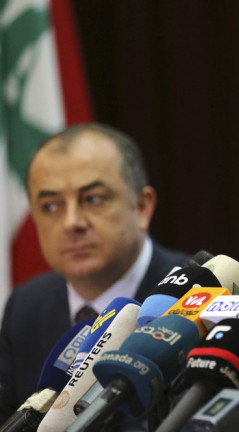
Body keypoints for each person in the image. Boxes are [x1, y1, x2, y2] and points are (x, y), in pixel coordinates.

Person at [0, 123, 190, 420]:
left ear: (142, 207)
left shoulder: (198, 298)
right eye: (50, 206)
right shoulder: (26, 306)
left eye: (93, 199)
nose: (71, 223)